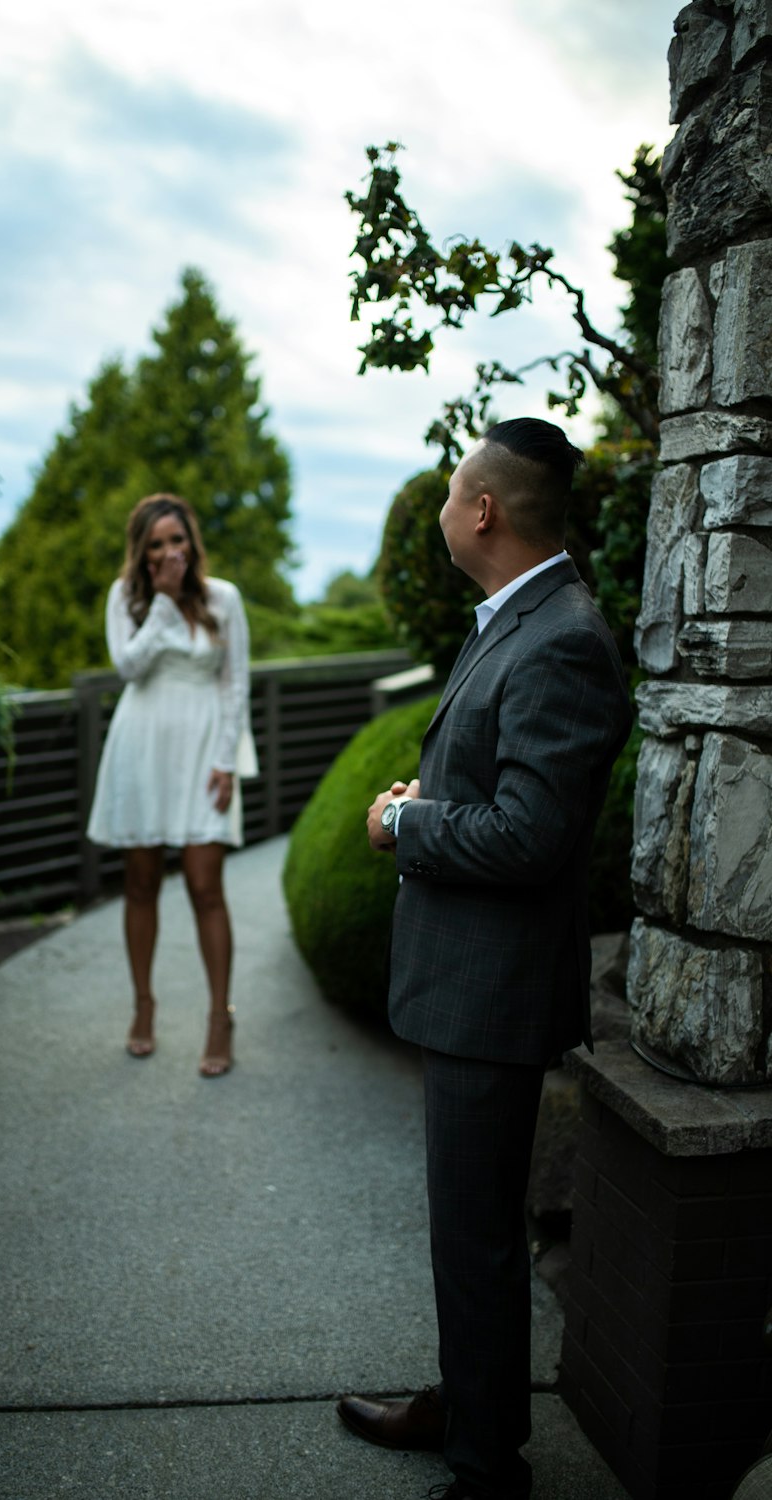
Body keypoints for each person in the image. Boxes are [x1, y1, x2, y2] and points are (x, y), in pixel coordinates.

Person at [337, 419, 632, 1500]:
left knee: (475, 1236)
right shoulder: (519, 618)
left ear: (482, 511)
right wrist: (433, 800)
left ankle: (483, 1464)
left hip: (490, 995)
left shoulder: (560, 635)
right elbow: (503, 791)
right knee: (470, 1231)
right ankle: (473, 1406)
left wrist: (402, 828)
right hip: (472, 986)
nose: (450, 501)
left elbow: (528, 836)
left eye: (454, 487)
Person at [85, 492, 256, 1077]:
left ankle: (219, 1017)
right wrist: (160, 603)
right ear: (142, 551)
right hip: (142, 751)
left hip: (203, 754)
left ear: (191, 543)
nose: (168, 552)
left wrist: (226, 760)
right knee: (141, 884)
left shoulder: (224, 598)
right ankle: (143, 1005)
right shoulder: (126, 598)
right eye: (156, 544)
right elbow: (126, 668)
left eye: (176, 541)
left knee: (206, 885)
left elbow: (236, 686)